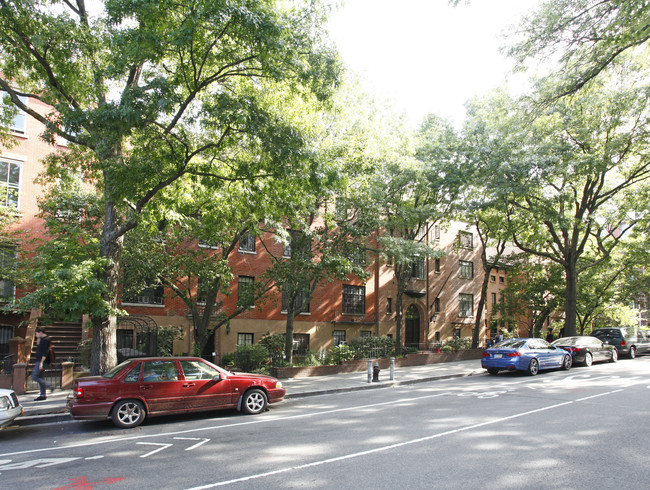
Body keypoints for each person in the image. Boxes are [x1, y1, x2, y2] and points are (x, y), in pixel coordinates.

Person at [32, 327, 53, 401]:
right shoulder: (42, 340)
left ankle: (49, 386)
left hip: (41, 361)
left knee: (34, 377)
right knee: (40, 377)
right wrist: (38, 338)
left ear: (40, 332)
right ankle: (43, 395)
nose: (36, 335)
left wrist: (41, 363)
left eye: (37, 333)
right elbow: (38, 347)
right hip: (39, 360)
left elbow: (45, 352)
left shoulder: (46, 340)